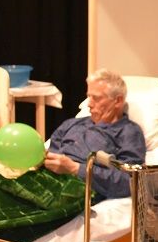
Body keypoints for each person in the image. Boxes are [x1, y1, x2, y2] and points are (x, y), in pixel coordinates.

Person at [44, 68, 145, 199]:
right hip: (48, 181)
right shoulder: (71, 124)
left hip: (79, 190)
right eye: (89, 97)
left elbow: (130, 180)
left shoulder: (128, 132)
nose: (89, 104)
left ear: (118, 101)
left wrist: (75, 168)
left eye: (96, 98)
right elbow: (52, 155)